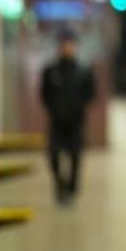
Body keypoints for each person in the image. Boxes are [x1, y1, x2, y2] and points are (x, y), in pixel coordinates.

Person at [40, 28, 96, 205]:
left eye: (70, 45)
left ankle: (71, 189)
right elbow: (44, 94)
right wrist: (53, 109)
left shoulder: (83, 71)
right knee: (53, 155)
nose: (67, 48)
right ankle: (60, 185)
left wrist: (79, 107)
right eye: (64, 45)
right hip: (56, 121)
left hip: (76, 122)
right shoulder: (50, 71)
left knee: (75, 157)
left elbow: (91, 93)